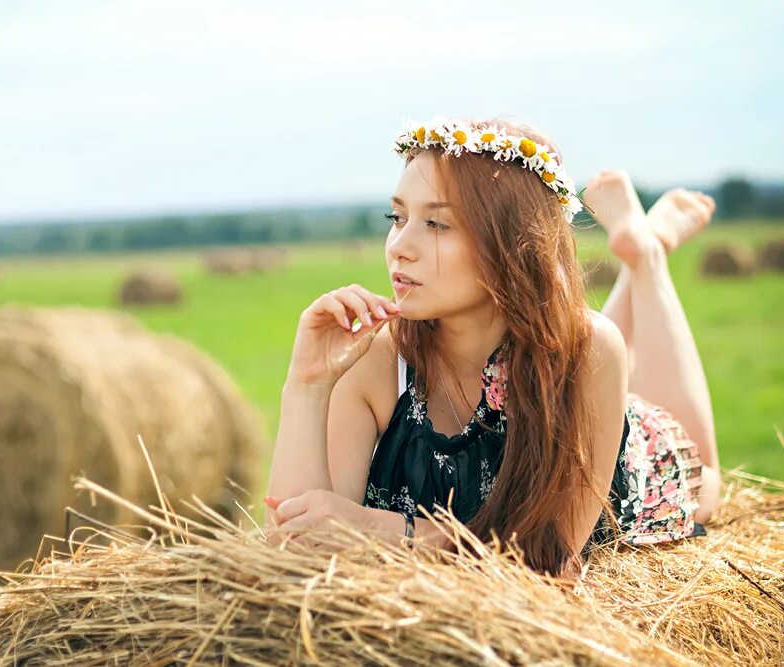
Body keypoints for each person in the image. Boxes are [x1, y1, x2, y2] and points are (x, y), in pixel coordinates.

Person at [263, 117, 720, 577]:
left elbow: (550, 562)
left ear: (512, 242)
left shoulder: (593, 349)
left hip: (623, 461)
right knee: (577, 337)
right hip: (562, 347)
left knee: (709, 483)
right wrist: (307, 383)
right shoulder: (376, 357)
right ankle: (641, 253)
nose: (399, 246)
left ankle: (648, 253)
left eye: (437, 224)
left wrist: (383, 529)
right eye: (397, 217)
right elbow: (296, 554)